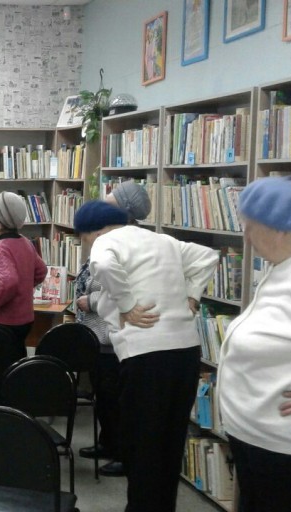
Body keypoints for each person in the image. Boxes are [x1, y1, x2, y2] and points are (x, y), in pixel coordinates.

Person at [75, 200, 218, 512]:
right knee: (170, 442)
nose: (86, 245)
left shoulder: (106, 242)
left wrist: (126, 305)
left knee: (141, 446)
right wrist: (192, 295)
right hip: (185, 352)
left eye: (83, 239)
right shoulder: (162, 240)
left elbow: (103, 265)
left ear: (93, 232)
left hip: (146, 355)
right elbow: (208, 256)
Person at [217, 176, 291, 511]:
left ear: (278, 229)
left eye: (250, 227)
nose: (246, 237)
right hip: (259, 443)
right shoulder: (285, 267)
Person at [74, 181, 151, 477]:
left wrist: (91, 300)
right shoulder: (111, 236)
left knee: (117, 398)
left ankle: (122, 452)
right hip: (98, 334)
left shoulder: (128, 244)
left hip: (113, 334)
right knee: (104, 397)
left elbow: (122, 290)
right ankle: (108, 442)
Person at [0, 191, 47, 346]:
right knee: (16, 357)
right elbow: (41, 271)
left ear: (1, 221)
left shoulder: (0, 247)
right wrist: (23, 288)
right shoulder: (25, 242)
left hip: (0, 321)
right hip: (24, 320)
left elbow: (8, 281)